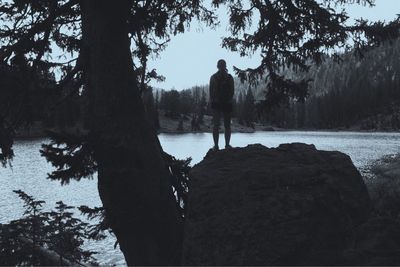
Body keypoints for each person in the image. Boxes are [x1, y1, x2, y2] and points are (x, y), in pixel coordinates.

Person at [209, 59, 234, 150]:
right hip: (227, 103)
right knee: (227, 126)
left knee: (216, 125)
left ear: (217, 66)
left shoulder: (213, 77)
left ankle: (216, 146)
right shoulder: (230, 77)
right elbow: (232, 91)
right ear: (225, 66)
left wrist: (213, 101)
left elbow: (211, 91)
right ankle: (227, 145)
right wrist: (229, 100)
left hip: (216, 103)